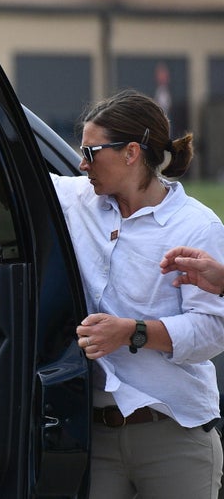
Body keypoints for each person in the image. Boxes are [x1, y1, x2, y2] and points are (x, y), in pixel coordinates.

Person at [50, 89, 224, 499]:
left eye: (91, 153)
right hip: (95, 437)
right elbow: (6, 171)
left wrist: (132, 331)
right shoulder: (76, 198)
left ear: (130, 153)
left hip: (173, 435)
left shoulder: (197, 227)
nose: (81, 164)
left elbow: (212, 333)